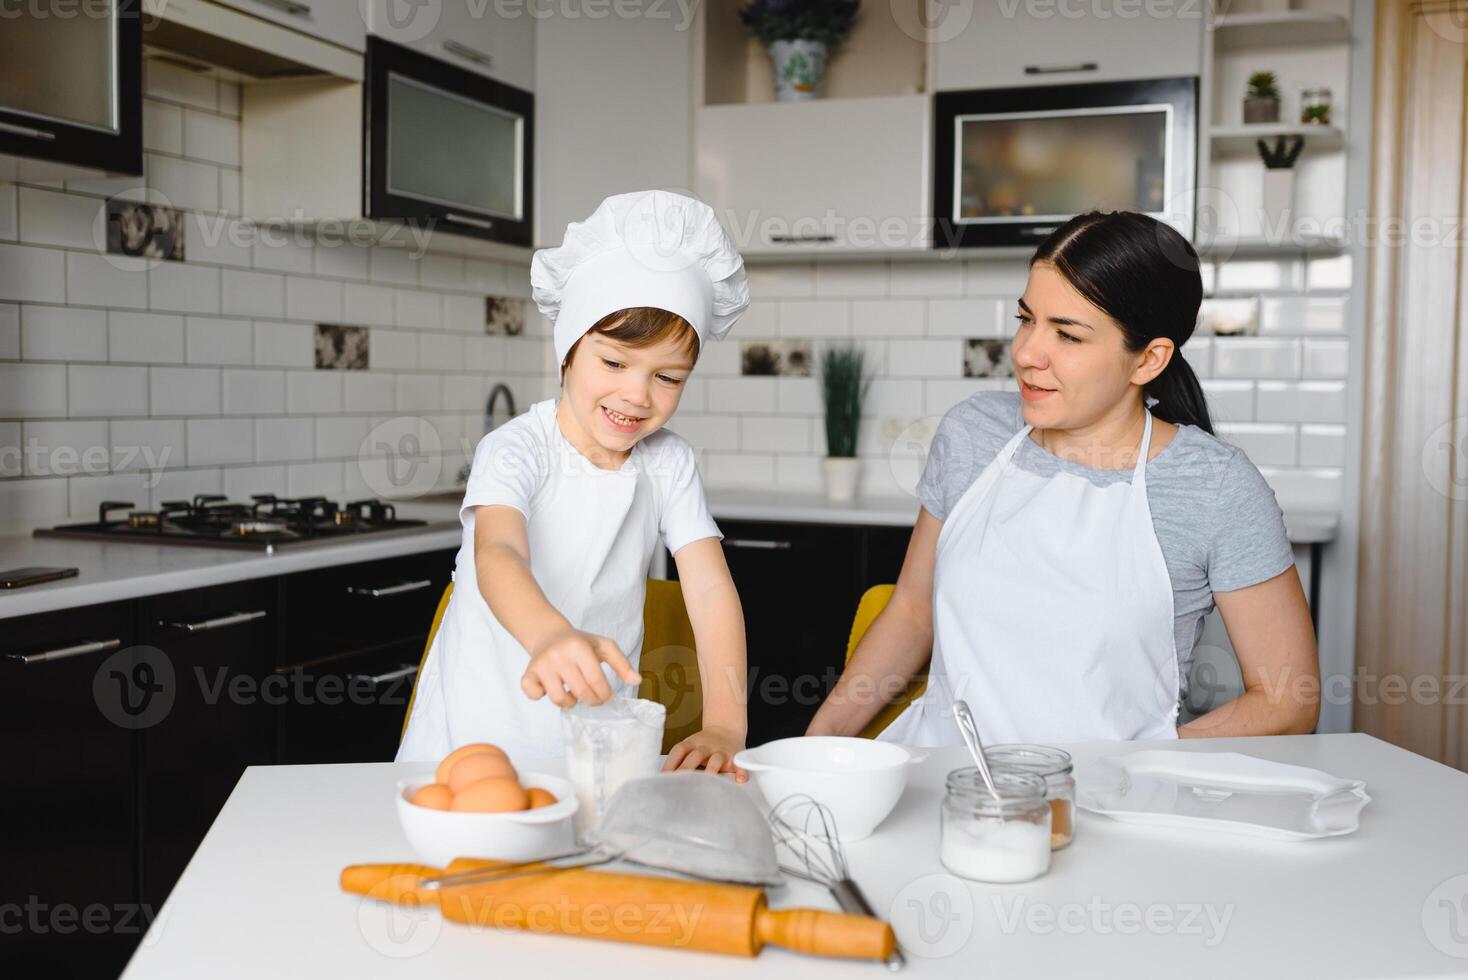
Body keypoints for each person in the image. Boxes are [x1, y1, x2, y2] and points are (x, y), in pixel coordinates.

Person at [807, 210, 1320, 745]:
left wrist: (1140, 768)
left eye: (1067, 336)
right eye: (1026, 319)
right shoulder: (973, 434)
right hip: (941, 779)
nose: (1027, 354)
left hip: (1110, 806)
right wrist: (815, 745)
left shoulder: (1215, 487)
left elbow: (1288, 700)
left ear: (1147, 359)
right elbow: (912, 614)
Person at [399, 190, 750, 778]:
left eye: (668, 377)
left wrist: (724, 722)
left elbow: (711, 591)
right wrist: (551, 635)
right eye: (614, 364)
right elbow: (499, 554)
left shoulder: (669, 462)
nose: (637, 395)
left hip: (594, 735)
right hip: (475, 730)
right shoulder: (516, 449)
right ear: (567, 351)